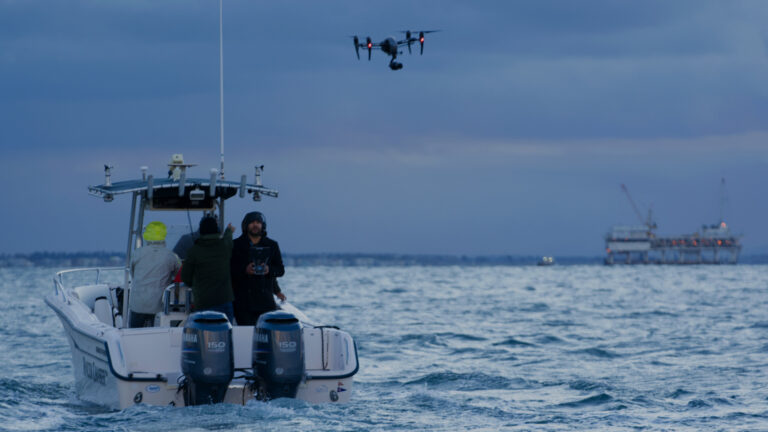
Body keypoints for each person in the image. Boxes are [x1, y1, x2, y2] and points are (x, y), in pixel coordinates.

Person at [231, 211, 286, 325]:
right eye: (252, 222)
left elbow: (280, 270)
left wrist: (268, 269)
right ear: (246, 225)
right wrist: (244, 270)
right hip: (243, 302)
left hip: (265, 301)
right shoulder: (235, 245)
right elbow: (229, 270)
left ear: (263, 225)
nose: (255, 225)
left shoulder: (272, 245)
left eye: (258, 222)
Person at [181, 216, 236, 322]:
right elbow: (228, 239)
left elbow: (186, 277)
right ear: (217, 230)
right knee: (225, 334)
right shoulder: (224, 246)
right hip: (225, 300)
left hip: (203, 302)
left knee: (205, 334)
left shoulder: (194, 251)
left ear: (201, 231)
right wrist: (229, 230)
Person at [129, 221, 181, 328]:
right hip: (159, 307)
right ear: (164, 234)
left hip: (137, 305)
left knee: (134, 333)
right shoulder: (171, 256)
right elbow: (179, 275)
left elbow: (132, 274)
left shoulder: (137, 253)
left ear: (146, 234)